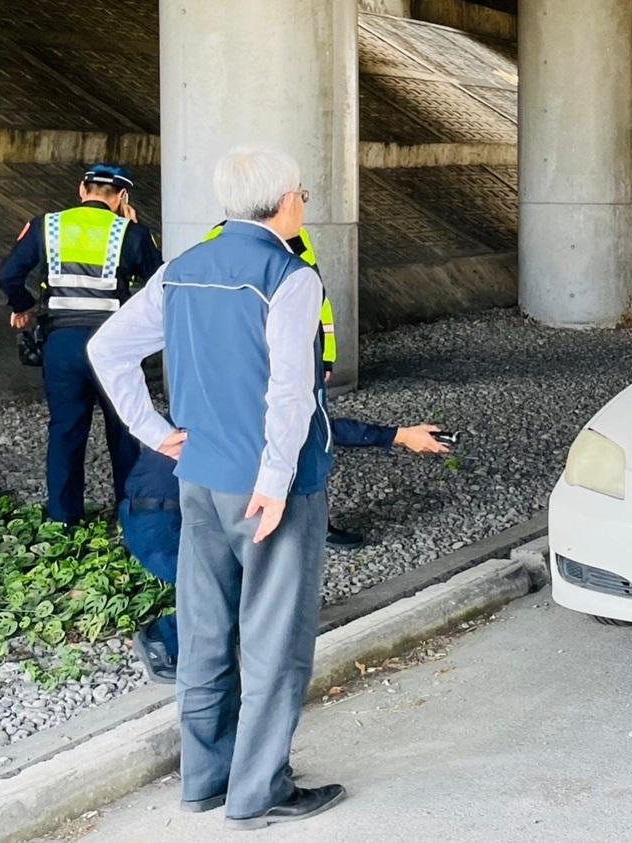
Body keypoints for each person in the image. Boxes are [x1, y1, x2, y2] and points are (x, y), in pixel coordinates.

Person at [88, 145, 344, 828]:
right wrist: (274, 480)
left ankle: (204, 779)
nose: (304, 203)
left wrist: (151, 427)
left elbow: (106, 347)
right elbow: (290, 394)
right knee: (274, 639)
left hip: (197, 476)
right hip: (273, 488)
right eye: (303, 193)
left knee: (205, 629)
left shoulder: (181, 269)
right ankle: (260, 791)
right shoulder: (290, 277)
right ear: (285, 200)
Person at [124, 418, 452, 683]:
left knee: (239, 583)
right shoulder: (246, 400)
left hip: (166, 510)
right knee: (227, 590)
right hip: (160, 522)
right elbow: (317, 429)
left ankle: (217, 640)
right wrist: (399, 435)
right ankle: (161, 640)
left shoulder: (209, 393)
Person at [0, 164, 163, 525]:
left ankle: (63, 519)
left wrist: (23, 306)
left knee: (65, 431)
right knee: (123, 429)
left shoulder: (47, 225)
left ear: (81, 189)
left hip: (62, 344)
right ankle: (130, 515)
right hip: (113, 347)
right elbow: (159, 287)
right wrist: (133, 229)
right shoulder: (131, 233)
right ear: (121, 198)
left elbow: (8, 275)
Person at [204, 222, 361, 548]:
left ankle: (315, 523)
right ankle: (254, 519)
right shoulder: (218, 239)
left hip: (290, 355)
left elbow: (318, 299)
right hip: (248, 360)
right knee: (259, 437)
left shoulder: (295, 236)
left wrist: (325, 354)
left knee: (306, 438)